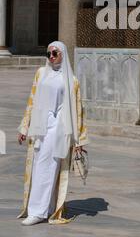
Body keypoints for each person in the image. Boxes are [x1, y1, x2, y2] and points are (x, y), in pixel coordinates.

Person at [17, 41, 88, 226]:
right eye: (48, 54)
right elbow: (32, 101)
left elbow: (77, 110)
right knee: (40, 167)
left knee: (48, 168)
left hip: (58, 129)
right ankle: (46, 209)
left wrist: (79, 140)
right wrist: (25, 127)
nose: (51, 57)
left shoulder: (72, 81)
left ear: (63, 54)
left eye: (54, 53)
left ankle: (38, 212)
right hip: (40, 127)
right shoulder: (41, 73)